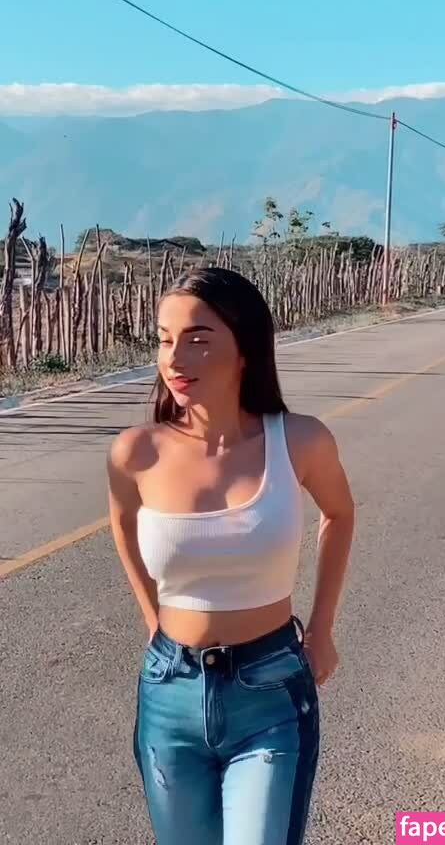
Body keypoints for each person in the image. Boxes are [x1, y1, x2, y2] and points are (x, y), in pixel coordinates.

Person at [107, 265, 355, 845]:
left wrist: (322, 630)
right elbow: (122, 524)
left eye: (197, 339)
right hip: (169, 692)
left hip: (271, 689)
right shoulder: (136, 452)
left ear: (245, 349)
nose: (175, 358)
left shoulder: (300, 440)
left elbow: (340, 514)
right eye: (165, 340)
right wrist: (152, 619)